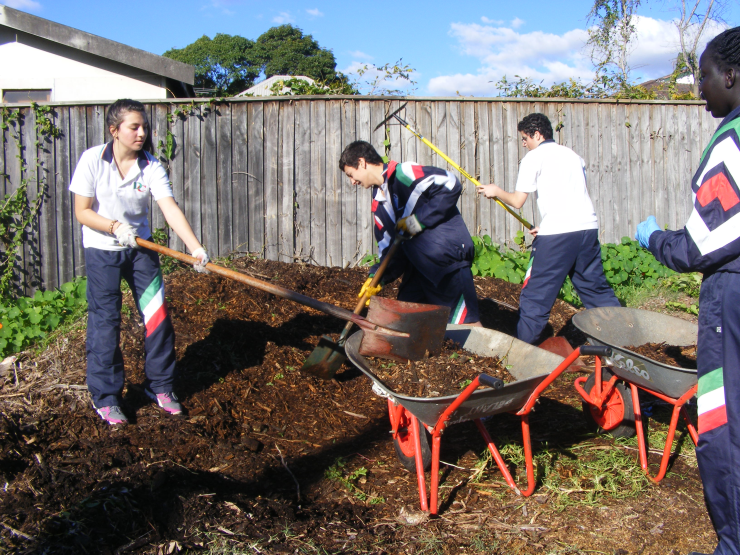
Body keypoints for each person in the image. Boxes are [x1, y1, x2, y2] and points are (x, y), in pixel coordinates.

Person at [635, 27, 740, 555]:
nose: (698, 88)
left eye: (702, 76)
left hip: (733, 298)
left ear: (731, 75)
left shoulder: (733, 140)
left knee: (724, 420)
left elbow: (700, 245)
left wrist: (653, 238)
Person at [70, 99, 209, 426]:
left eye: (144, 127)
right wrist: (114, 226)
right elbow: (82, 211)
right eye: (134, 127)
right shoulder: (92, 160)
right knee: (106, 321)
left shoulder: (150, 166)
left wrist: (195, 248)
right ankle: (106, 397)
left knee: (156, 315)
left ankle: (159, 387)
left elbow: (169, 208)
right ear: (114, 130)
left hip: (140, 252)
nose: (142, 133)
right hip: (103, 251)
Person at [478, 113, 620, 345]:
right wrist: (544, 227)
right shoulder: (573, 156)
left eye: (525, 138)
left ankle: (521, 351)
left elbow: (517, 201)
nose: (524, 143)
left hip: (558, 237)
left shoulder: (534, 158)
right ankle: (624, 341)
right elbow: (569, 195)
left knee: (536, 295)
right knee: (595, 289)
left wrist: (495, 191)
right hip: (586, 230)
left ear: (537, 134)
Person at [339, 140, 481, 326]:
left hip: (443, 260)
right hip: (418, 267)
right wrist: (376, 277)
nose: (352, 182)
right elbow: (390, 251)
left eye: (351, 174)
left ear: (362, 163)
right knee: (406, 322)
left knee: (464, 326)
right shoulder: (380, 205)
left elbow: (450, 183)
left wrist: (417, 221)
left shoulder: (403, 174)